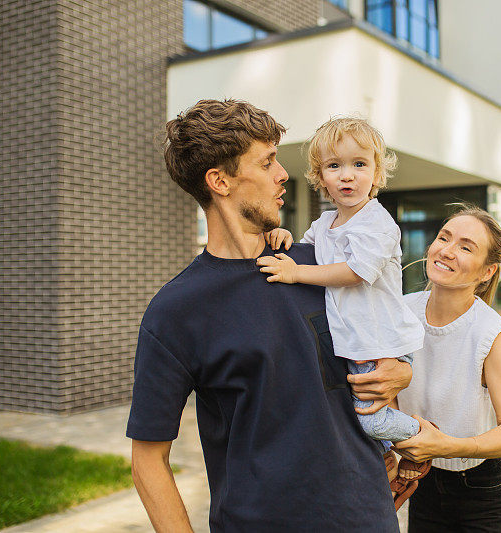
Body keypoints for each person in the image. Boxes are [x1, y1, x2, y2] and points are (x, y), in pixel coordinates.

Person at [126, 99, 410, 532]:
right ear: (220, 181)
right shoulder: (177, 310)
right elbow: (148, 460)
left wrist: (399, 374)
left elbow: (383, 340)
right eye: (268, 163)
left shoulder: (321, 266)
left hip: (368, 518)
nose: (284, 175)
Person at [259, 117, 430, 507]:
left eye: (359, 164)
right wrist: (284, 238)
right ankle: (393, 455)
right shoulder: (324, 223)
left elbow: (354, 272)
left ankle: (423, 435)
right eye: (334, 166)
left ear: (377, 172)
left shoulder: (377, 223)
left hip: (379, 341)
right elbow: (304, 250)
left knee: (370, 420)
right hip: (355, 343)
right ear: (320, 177)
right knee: (357, 419)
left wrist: (295, 271)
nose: (347, 176)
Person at [392, 205, 501, 532]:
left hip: (486, 494)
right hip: (425, 482)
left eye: (466, 247)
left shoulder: (489, 334)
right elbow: (389, 390)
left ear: (487, 272)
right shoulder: (400, 311)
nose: (447, 251)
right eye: (444, 238)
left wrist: (448, 446)